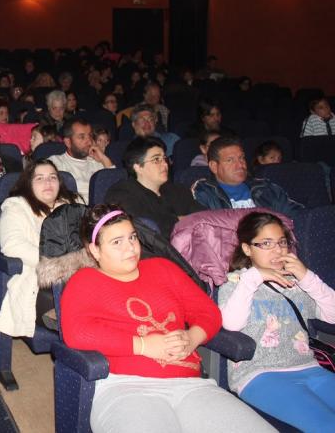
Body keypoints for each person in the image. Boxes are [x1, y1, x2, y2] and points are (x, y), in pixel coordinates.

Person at [61, 204, 274, 433]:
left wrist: (193, 337)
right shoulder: (84, 281)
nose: (130, 247)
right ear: (94, 250)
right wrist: (144, 345)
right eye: (117, 242)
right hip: (127, 389)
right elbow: (77, 332)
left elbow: (208, 312)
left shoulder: (163, 268)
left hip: (193, 387)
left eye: (132, 237)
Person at [218, 212, 335, 431]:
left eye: (282, 242)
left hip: (309, 368)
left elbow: (333, 315)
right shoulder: (236, 283)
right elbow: (232, 324)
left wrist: (307, 276)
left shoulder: (295, 282)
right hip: (259, 375)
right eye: (266, 243)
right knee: (328, 426)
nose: (278, 250)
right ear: (247, 249)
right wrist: (254, 277)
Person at [0, 159, 81, 337]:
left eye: (52, 177)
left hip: (83, 277)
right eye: (40, 178)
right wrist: (61, 264)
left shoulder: (73, 207)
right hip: (39, 282)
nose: (48, 182)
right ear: (28, 184)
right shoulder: (16, 208)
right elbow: (13, 246)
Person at [105, 137, 203, 238]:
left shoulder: (178, 190)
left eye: (164, 158)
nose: (165, 164)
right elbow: (147, 229)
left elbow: (203, 217)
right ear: (138, 167)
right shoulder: (121, 193)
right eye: (156, 160)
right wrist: (182, 220)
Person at [191, 136, 303, 219]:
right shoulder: (204, 193)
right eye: (230, 160)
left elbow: (300, 216)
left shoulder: (265, 188)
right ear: (214, 166)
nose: (240, 165)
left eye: (241, 158)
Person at [48, 117, 113, 204]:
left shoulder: (97, 161)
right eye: (82, 137)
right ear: (68, 142)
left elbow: (116, 186)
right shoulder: (55, 163)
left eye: (90, 136)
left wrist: (104, 159)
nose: (89, 141)